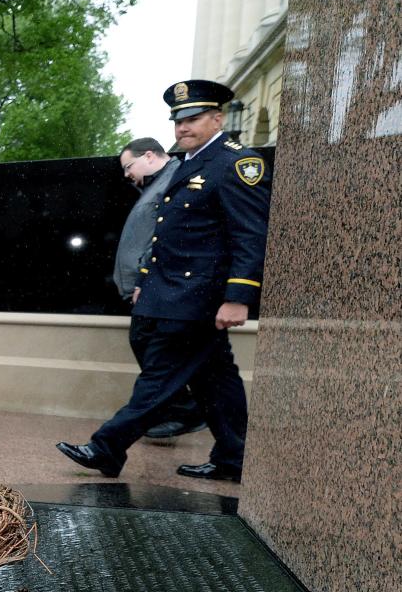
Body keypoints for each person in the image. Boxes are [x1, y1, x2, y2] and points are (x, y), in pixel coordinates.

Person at [57, 79, 270, 483]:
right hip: (173, 293)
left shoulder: (237, 164)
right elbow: (166, 235)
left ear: (217, 119)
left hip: (197, 298)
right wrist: (145, 280)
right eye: (178, 121)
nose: (182, 127)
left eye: (192, 119)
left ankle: (107, 447)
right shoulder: (188, 164)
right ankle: (234, 459)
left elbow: (250, 235)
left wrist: (239, 296)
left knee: (160, 376)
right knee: (215, 381)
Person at [114, 137, 206, 440]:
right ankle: (176, 411)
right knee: (155, 351)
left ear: (150, 155)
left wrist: (144, 278)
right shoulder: (155, 185)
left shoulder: (173, 181)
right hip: (148, 287)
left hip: (155, 286)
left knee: (149, 347)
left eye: (129, 166)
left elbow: (162, 237)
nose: (126, 174)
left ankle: (184, 410)